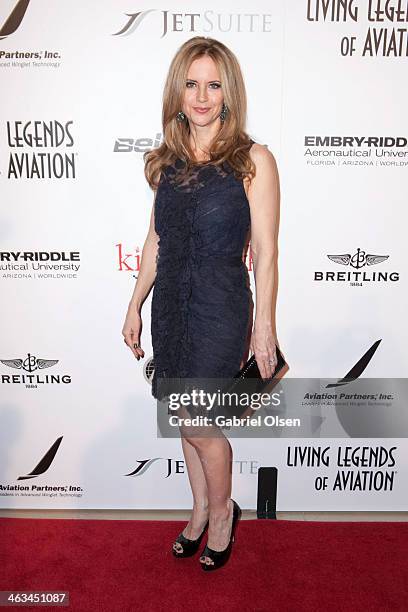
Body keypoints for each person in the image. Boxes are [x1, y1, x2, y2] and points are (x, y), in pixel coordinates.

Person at [122, 36, 280, 571]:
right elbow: (154, 243)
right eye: (192, 84)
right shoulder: (166, 163)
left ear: (228, 92)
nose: (202, 95)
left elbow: (267, 251)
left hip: (219, 308)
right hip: (170, 308)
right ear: (178, 91)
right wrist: (134, 305)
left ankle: (221, 515)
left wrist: (264, 328)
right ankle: (197, 511)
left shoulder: (252, 160)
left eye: (213, 84)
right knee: (182, 418)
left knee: (200, 422)